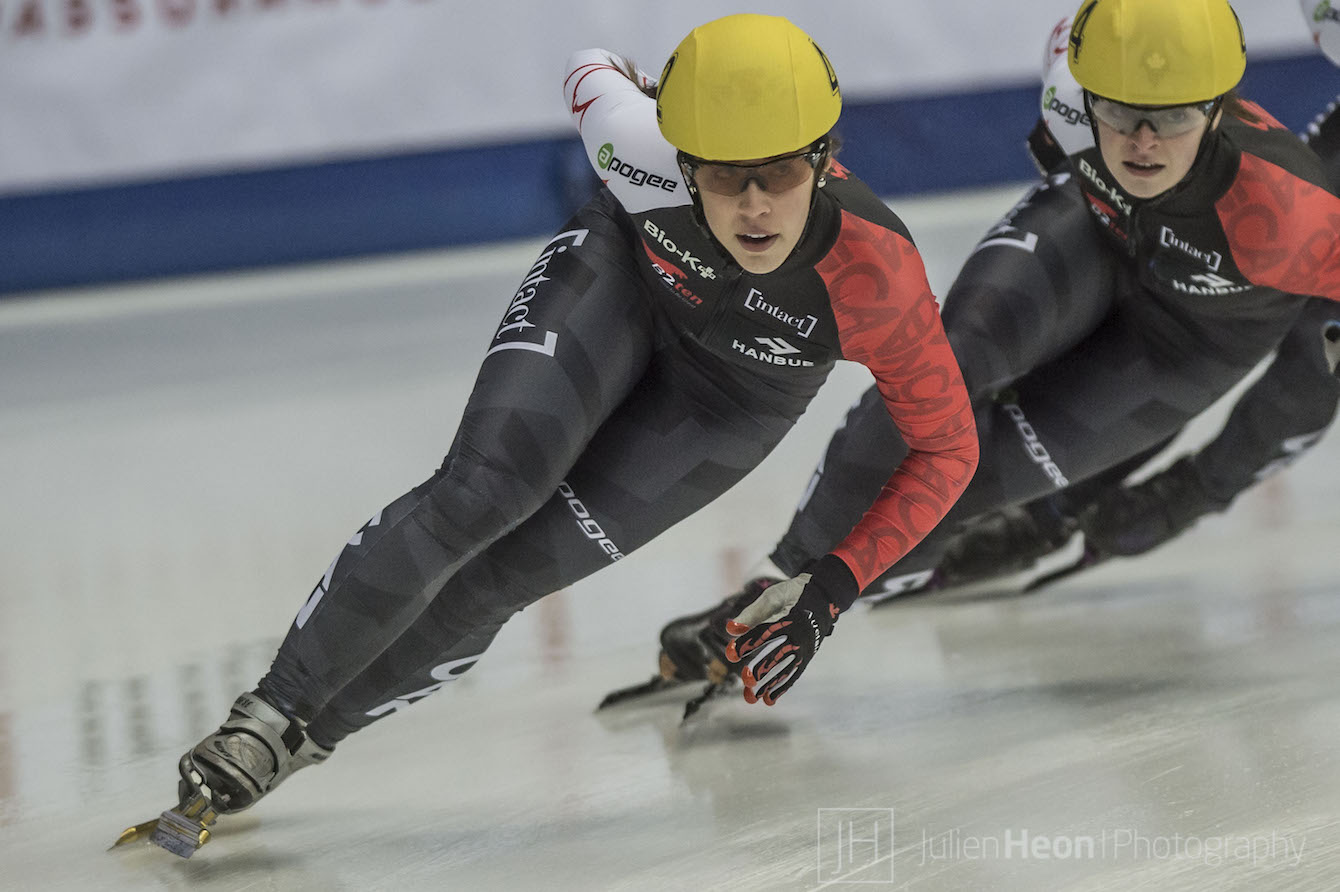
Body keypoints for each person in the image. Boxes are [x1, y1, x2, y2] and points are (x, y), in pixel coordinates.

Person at [131, 14, 979, 857]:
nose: (755, 206)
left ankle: (301, 745)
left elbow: (949, 449)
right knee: (483, 492)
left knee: (502, 581)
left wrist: (831, 587)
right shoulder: (634, 146)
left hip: (736, 395)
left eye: (782, 173)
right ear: (679, 160)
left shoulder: (879, 278)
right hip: (621, 277)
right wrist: (639, 85)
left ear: (825, 160)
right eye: (723, 177)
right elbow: (590, 67)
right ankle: (269, 712)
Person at [644, 0, 1340, 701]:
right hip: (1097, 236)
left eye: (1176, 117)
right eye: (1120, 114)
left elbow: (1311, 380)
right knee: (946, 373)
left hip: (1189, 341)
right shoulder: (1070, 95)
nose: (1144, 142)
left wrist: (1197, 490)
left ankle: (1017, 522)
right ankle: (774, 586)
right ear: (1083, 94)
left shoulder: (1295, 218)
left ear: (1220, 110)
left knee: (969, 485)